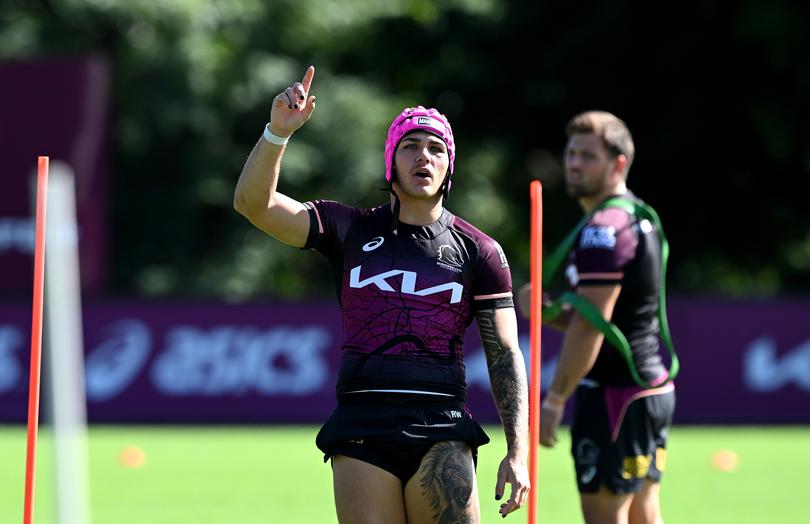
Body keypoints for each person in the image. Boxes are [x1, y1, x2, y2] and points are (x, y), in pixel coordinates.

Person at [234, 66, 530, 523]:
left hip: (443, 426)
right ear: (391, 159)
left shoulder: (480, 251)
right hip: (362, 428)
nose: (423, 157)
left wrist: (518, 451)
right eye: (410, 146)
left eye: (436, 149)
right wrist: (277, 133)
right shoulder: (347, 227)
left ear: (450, 165)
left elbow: (505, 354)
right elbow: (254, 204)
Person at [518, 111, 676, 524]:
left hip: (615, 395)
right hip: (649, 387)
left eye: (588, 155)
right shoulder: (637, 215)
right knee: (645, 513)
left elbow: (591, 324)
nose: (574, 163)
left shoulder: (603, 229)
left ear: (618, 163)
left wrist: (554, 400)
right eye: (571, 153)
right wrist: (549, 312)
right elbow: (605, 317)